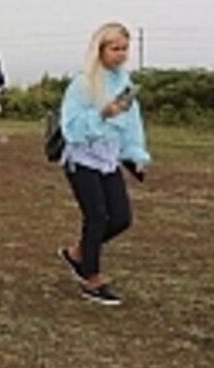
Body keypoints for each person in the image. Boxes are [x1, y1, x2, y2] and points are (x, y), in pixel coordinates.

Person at [57, 23, 150, 306]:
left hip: (109, 159)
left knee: (121, 218)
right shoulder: (83, 84)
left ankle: (77, 253)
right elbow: (70, 127)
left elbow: (132, 126)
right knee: (96, 216)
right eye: (115, 48)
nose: (121, 54)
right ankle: (92, 278)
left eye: (124, 48)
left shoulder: (125, 84)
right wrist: (102, 114)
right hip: (82, 158)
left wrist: (136, 155)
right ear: (100, 50)